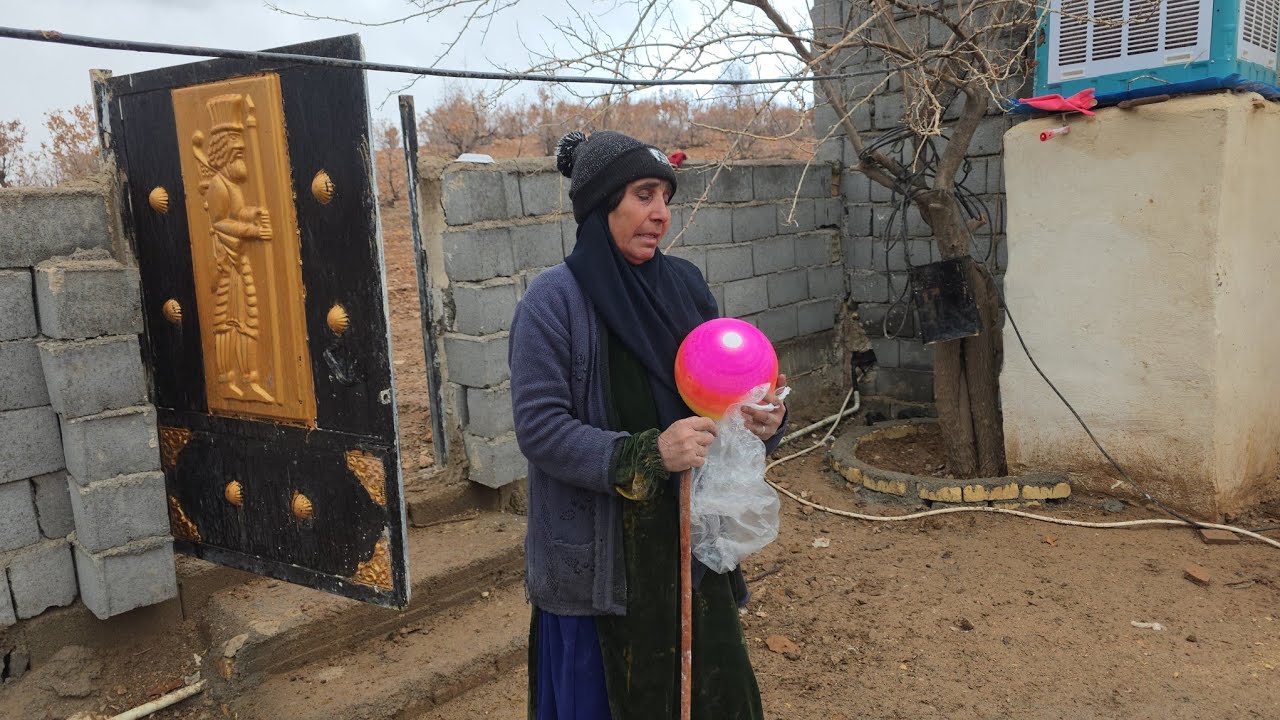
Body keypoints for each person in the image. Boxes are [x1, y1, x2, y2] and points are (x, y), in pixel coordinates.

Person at [509, 129, 789, 720]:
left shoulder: (682, 286)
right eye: (642, 195)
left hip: (689, 548)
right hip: (601, 573)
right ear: (601, 203)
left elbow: (721, 393)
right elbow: (539, 429)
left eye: (666, 196)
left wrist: (755, 420)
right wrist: (647, 453)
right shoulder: (552, 303)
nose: (660, 214)